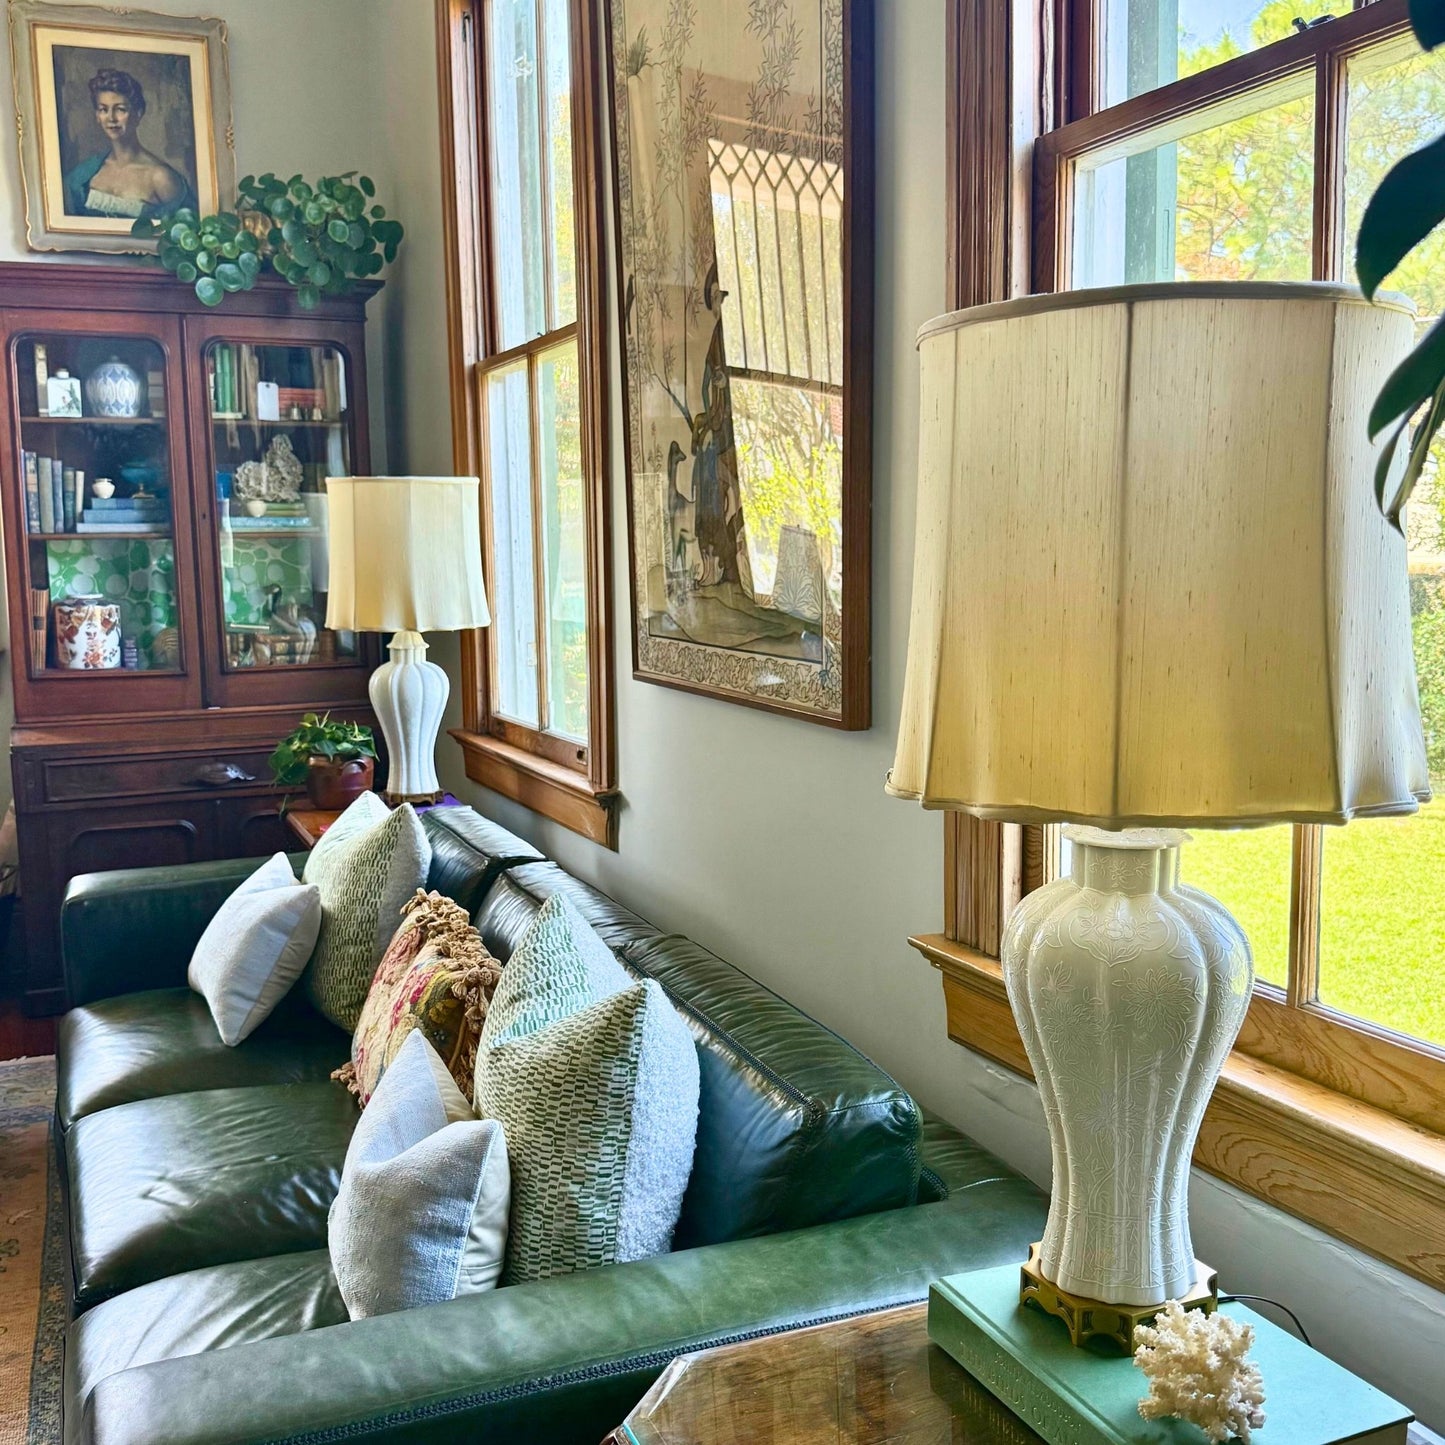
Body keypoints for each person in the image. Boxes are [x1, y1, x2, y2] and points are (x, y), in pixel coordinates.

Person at [62, 68, 192, 219]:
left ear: (138, 113)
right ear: (97, 115)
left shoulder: (160, 177)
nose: (111, 118)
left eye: (120, 110)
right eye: (103, 109)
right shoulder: (85, 173)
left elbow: (187, 231)